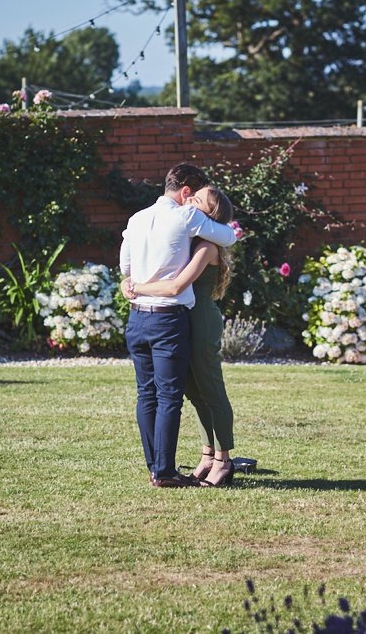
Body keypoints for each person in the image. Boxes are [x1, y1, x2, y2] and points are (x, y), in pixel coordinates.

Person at [119, 164, 237, 488]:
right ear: (185, 192)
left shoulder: (141, 219)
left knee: (201, 390)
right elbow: (230, 234)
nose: (192, 206)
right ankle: (199, 457)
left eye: (200, 204)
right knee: (187, 391)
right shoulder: (186, 221)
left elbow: (130, 270)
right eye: (194, 198)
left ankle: (218, 461)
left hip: (185, 319)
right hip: (174, 318)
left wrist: (134, 286)